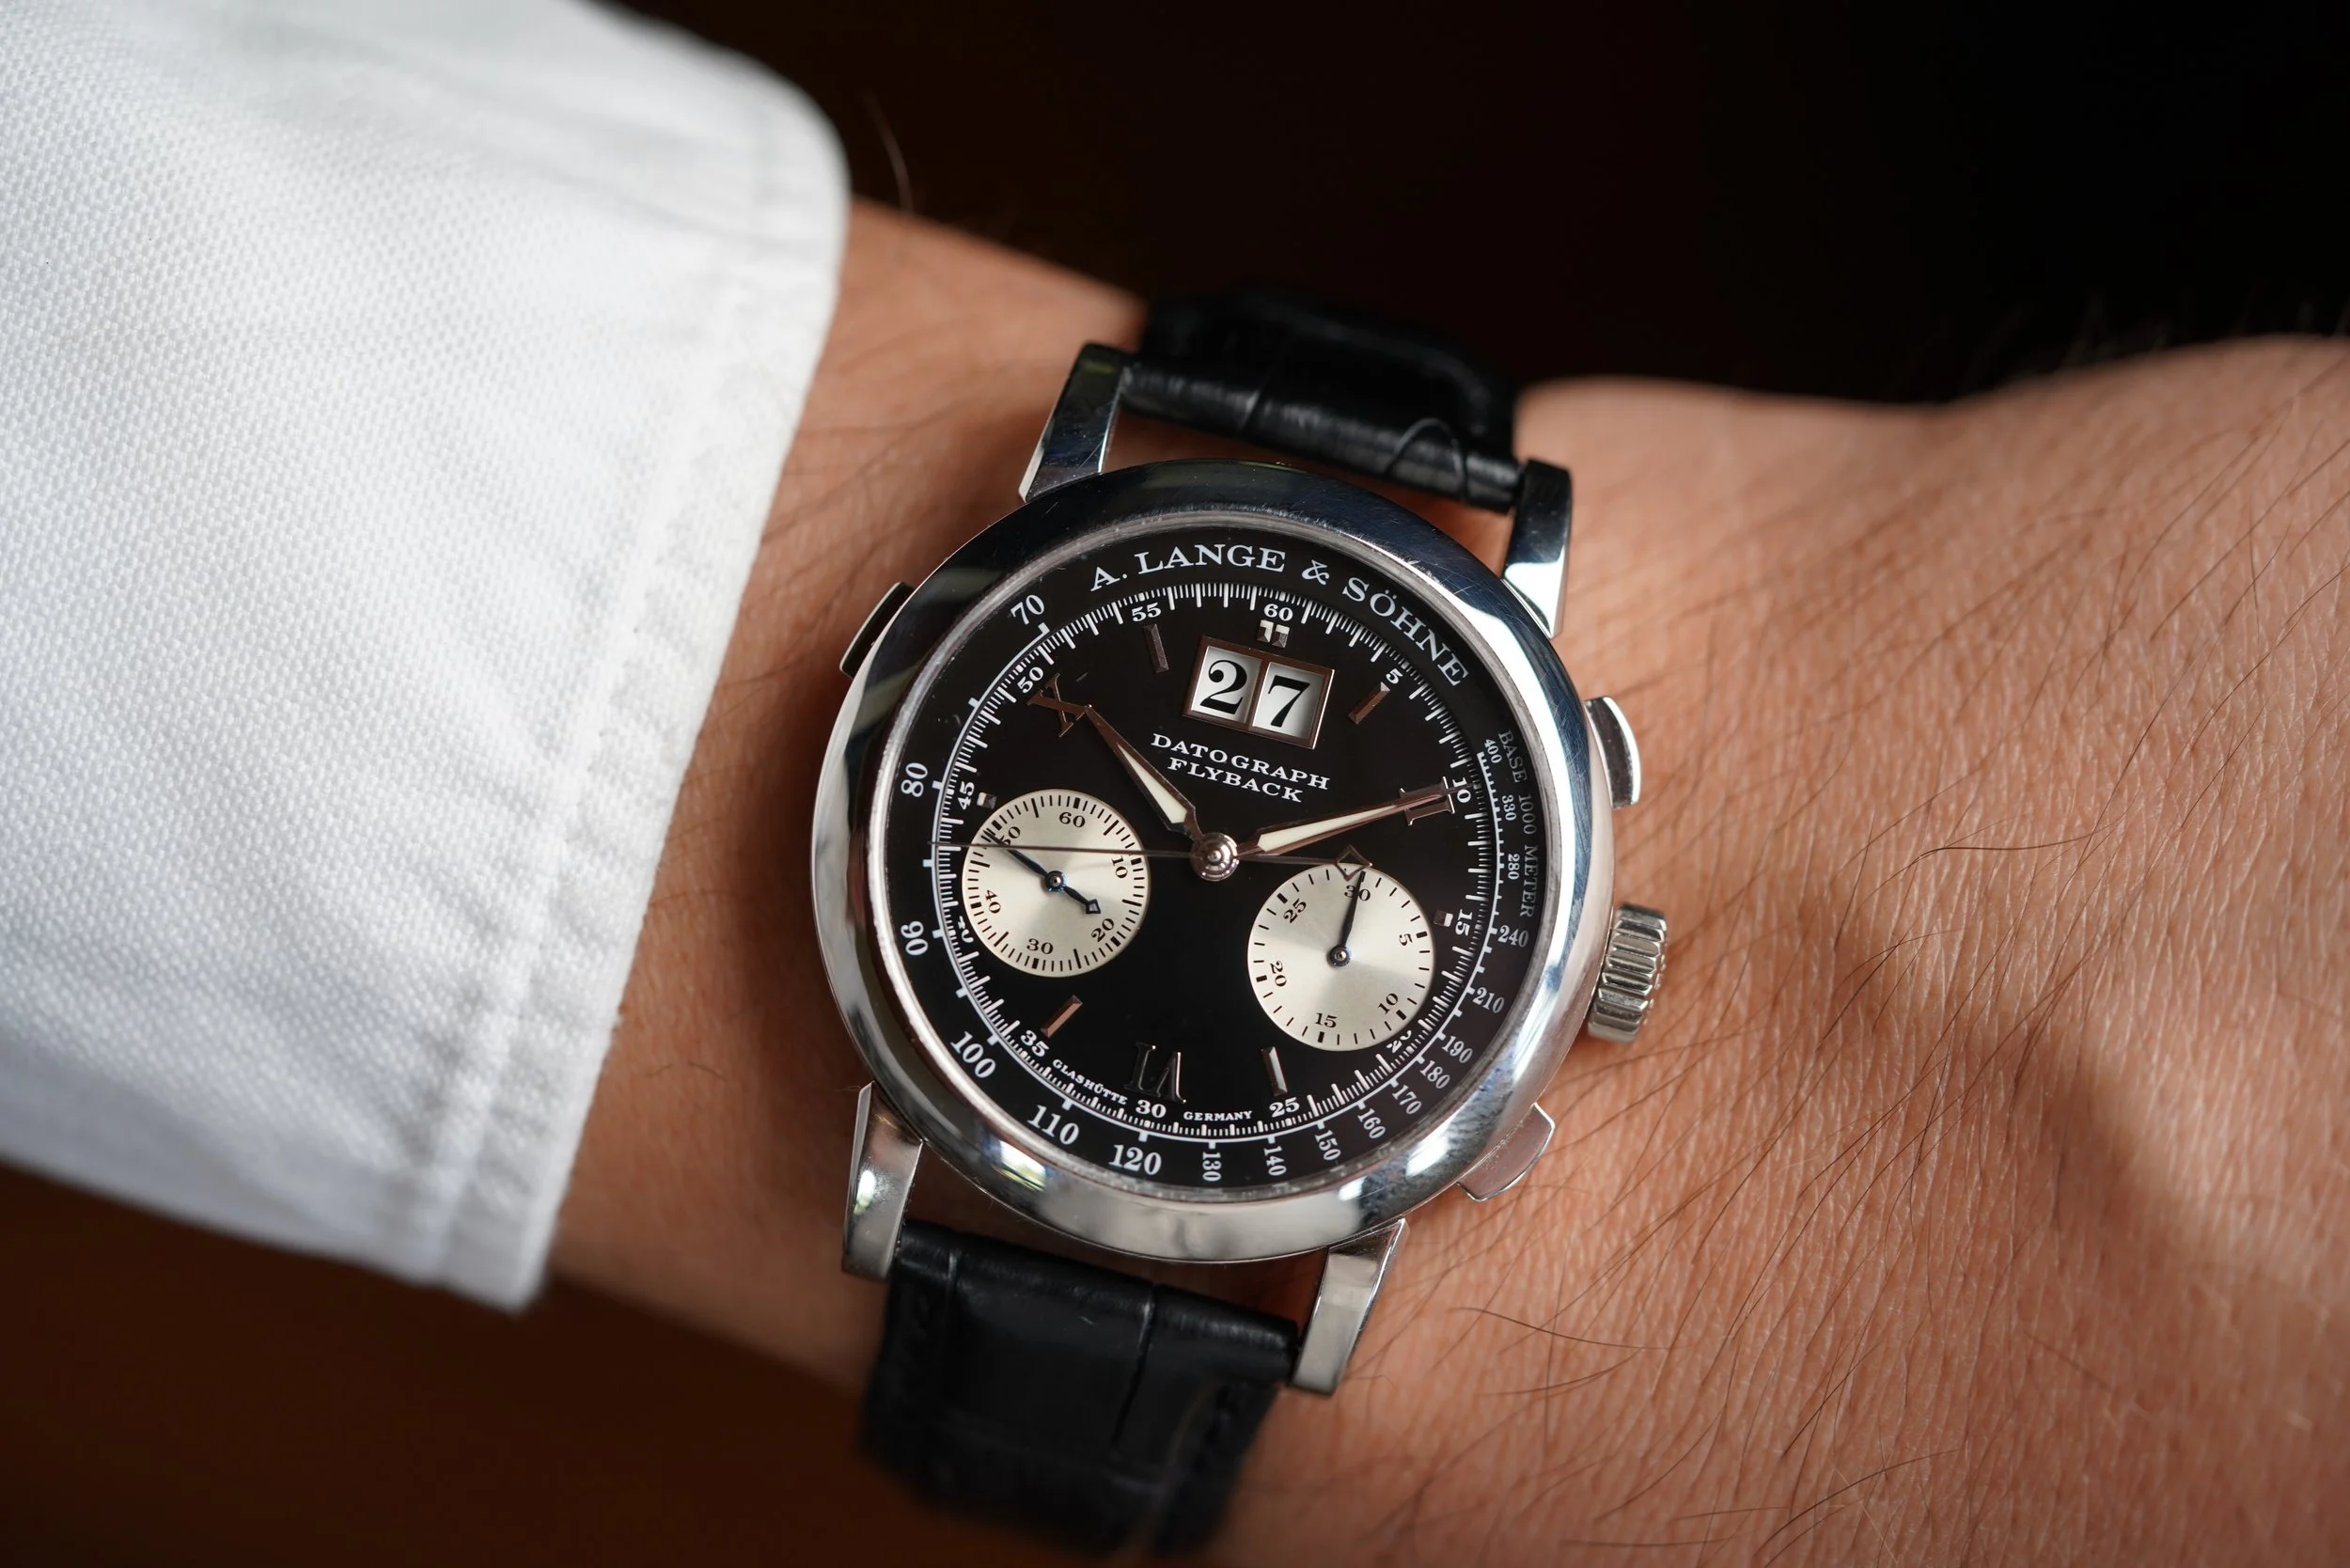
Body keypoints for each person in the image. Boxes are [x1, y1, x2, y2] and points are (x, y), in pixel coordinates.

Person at [4, 2, 2342, 1562]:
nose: (1223, 851)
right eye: (1218, 831)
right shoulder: (962, 987)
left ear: (1588, 963)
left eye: (1290, 863)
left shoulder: (1357, 1198)